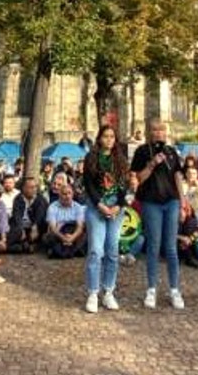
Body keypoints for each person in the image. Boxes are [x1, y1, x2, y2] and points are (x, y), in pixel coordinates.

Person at [129, 119, 186, 310]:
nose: (158, 133)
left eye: (161, 130)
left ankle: (174, 289)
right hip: (151, 202)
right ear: (149, 132)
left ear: (166, 132)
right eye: (154, 130)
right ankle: (151, 288)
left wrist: (183, 201)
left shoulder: (171, 152)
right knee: (153, 246)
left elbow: (178, 176)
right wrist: (152, 164)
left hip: (171, 202)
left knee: (170, 248)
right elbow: (138, 178)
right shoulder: (142, 151)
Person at [79, 124, 127, 312]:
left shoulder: (120, 159)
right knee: (95, 251)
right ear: (99, 138)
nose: (109, 139)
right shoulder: (91, 158)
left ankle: (108, 291)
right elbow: (88, 185)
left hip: (116, 207)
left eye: (112, 136)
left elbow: (123, 186)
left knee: (112, 251)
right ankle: (93, 292)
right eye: (105, 136)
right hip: (96, 207)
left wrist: (118, 205)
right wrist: (100, 204)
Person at [44, 173, 86, 259]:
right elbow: (52, 228)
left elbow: (80, 227)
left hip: (73, 232)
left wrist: (72, 237)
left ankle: (61, 252)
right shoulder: (52, 207)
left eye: (69, 193)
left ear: (73, 194)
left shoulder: (78, 207)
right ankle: (72, 251)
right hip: (59, 232)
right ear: (59, 195)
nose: (67, 196)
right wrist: (64, 238)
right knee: (49, 237)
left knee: (85, 235)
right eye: (64, 194)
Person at [8, 177, 49, 253]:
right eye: (31, 187)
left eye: (35, 187)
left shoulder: (40, 199)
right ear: (24, 188)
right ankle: (22, 246)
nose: (34, 190)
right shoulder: (18, 199)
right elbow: (17, 216)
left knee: (43, 228)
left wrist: (35, 226)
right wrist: (21, 229)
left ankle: (33, 245)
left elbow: (41, 215)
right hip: (21, 226)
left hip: (35, 226)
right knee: (15, 228)